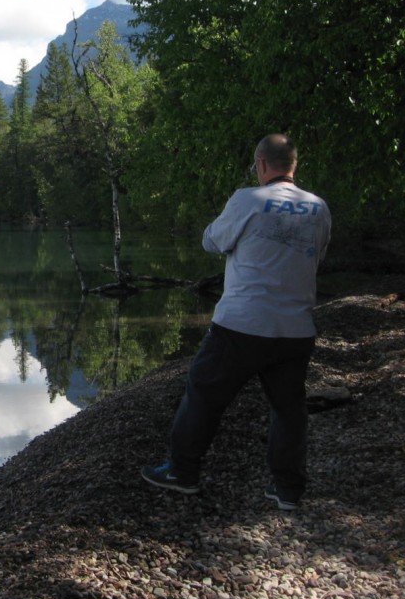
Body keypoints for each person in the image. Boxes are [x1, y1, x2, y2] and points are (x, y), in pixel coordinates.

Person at [141, 133, 331, 510]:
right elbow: (316, 258)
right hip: (295, 328)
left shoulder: (248, 199)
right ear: (293, 165)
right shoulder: (318, 207)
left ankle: (182, 471)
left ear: (261, 163)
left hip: (241, 325)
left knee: (204, 395)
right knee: (288, 409)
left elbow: (213, 241)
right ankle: (287, 489)